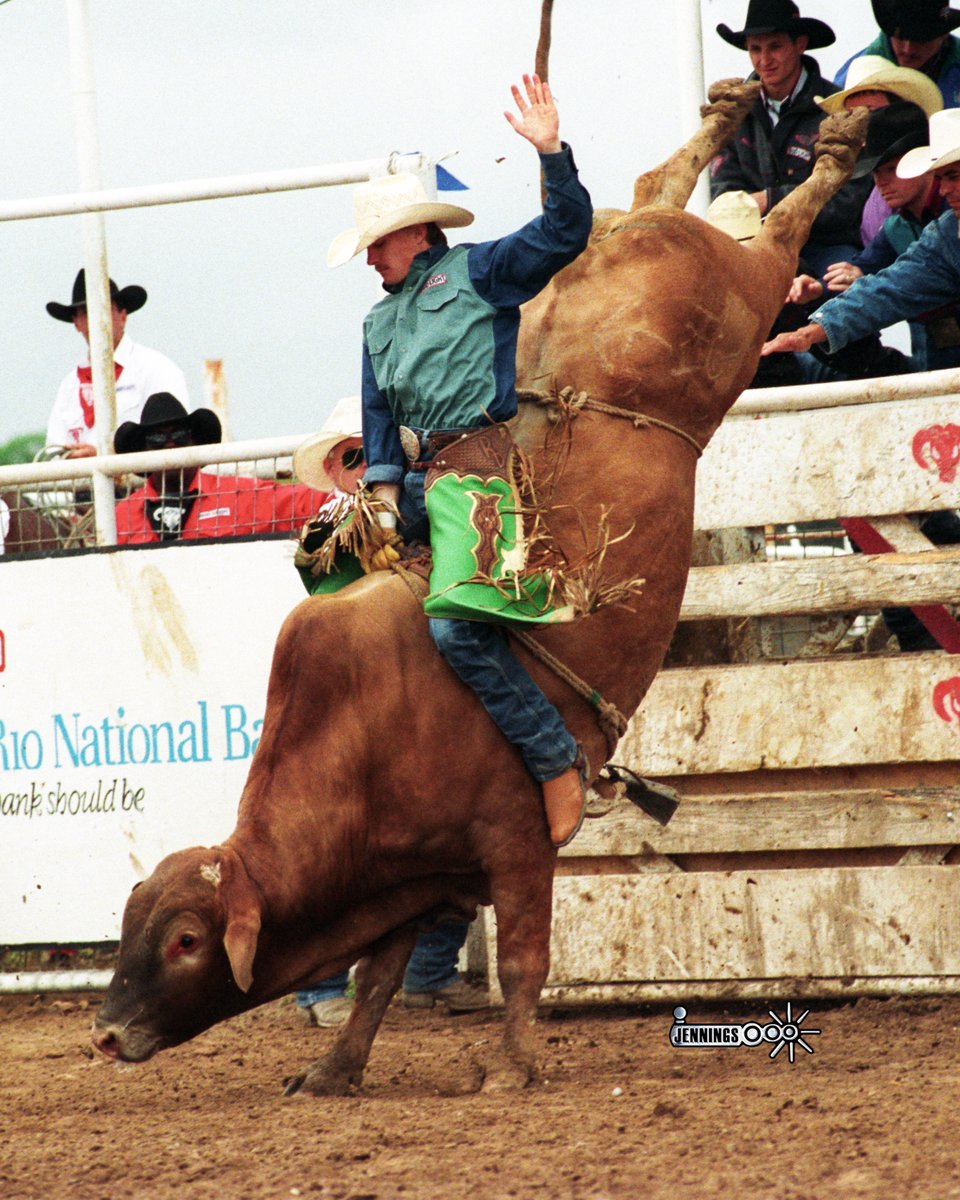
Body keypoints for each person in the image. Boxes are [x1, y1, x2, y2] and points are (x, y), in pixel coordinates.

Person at [327, 74, 593, 849]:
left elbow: (564, 233)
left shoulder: (478, 272)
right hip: (416, 479)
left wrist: (551, 153)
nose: (372, 258)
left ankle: (553, 758)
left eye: (378, 242)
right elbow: (379, 421)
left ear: (416, 234)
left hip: (480, 469)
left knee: (457, 635)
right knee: (325, 569)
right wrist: (377, 499)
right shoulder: (378, 322)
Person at [291, 396, 488, 1025]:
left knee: (452, 842)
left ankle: (427, 976)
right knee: (328, 854)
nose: (367, 467)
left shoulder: (428, 513)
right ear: (339, 469)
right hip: (353, 714)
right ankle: (319, 989)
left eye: (378, 455)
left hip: (419, 709)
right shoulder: (330, 531)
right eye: (354, 457)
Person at [762, 106, 960, 650]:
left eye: (956, 174)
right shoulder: (944, 235)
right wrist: (812, 330)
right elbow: (889, 285)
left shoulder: (937, 232)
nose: (949, 188)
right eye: (946, 175)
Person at [787, 102, 956, 372]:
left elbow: (889, 284)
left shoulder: (945, 227)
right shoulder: (902, 228)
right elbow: (875, 277)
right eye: (876, 172)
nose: (880, 182)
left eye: (890, 169)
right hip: (934, 347)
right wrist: (820, 288)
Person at [710, 0, 872, 277]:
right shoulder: (735, 113)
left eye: (775, 46)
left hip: (825, 247)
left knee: (840, 284)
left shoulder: (837, 109)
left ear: (800, 44)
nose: (764, 60)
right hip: (756, 247)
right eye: (755, 49)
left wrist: (770, 201)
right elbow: (724, 190)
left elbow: (850, 198)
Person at [113, 392, 326, 543]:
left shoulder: (238, 495)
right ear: (142, 449)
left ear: (196, 442)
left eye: (180, 436)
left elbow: (308, 502)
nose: (170, 445)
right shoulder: (121, 516)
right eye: (157, 438)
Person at [46, 269, 190, 459]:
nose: (96, 320)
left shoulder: (156, 370)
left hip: (143, 486)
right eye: (86, 312)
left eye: (103, 309)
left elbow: (176, 443)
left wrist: (105, 461)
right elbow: (53, 452)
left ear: (122, 315)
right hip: (80, 487)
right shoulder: (69, 386)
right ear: (76, 322)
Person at [817, 55, 943, 244]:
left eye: (871, 111)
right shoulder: (876, 211)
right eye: (853, 117)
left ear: (899, 110)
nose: (863, 124)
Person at [835, 1, 960, 109]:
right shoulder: (854, 76)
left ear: (944, 34)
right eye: (900, 38)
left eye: (920, 39)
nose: (908, 49)